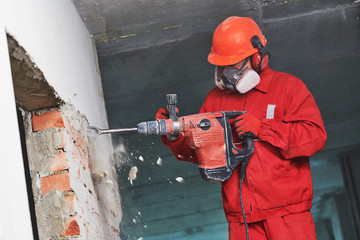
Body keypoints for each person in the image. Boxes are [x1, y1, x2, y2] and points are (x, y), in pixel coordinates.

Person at [156, 16, 327, 240]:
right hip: (242, 222)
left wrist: (263, 128)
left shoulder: (288, 88)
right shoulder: (215, 100)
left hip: (288, 217)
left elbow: (314, 137)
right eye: (223, 64)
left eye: (233, 63)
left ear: (258, 58)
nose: (227, 70)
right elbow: (200, 153)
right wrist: (174, 135)